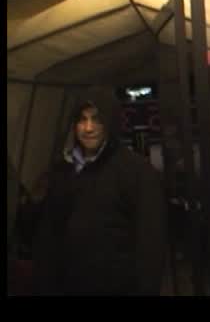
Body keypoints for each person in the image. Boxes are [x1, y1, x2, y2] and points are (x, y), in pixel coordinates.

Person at [32, 86, 167, 295]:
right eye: (82, 119)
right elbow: (49, 235)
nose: (88, 128)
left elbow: (150, 243)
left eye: (97, 119)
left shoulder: (135, 171)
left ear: (110, 122)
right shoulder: (63, 170)